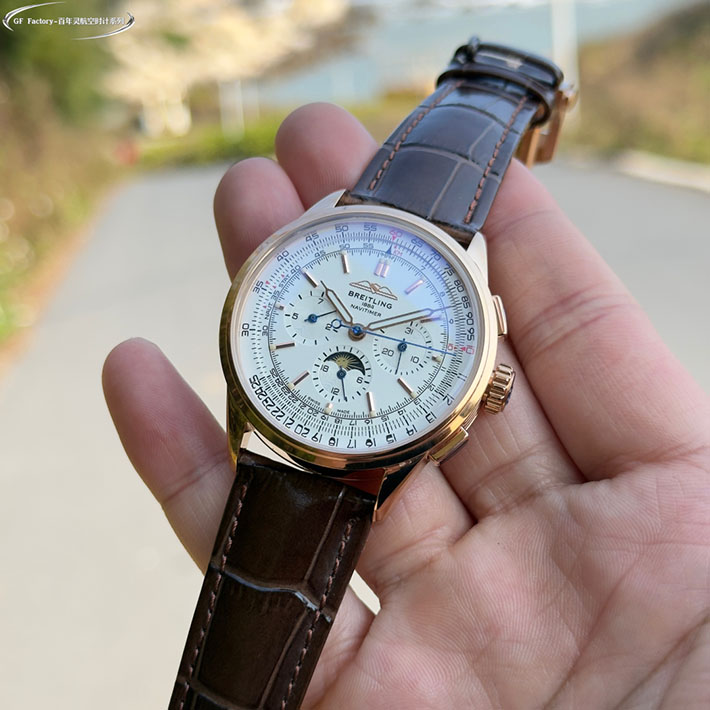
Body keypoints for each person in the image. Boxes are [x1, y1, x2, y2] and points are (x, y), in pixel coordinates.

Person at [102, 103, 710, 708]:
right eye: (351, 325)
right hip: (269, 425)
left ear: (486, 381)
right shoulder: (335, 227)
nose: (357, 331)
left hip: (356, 467)